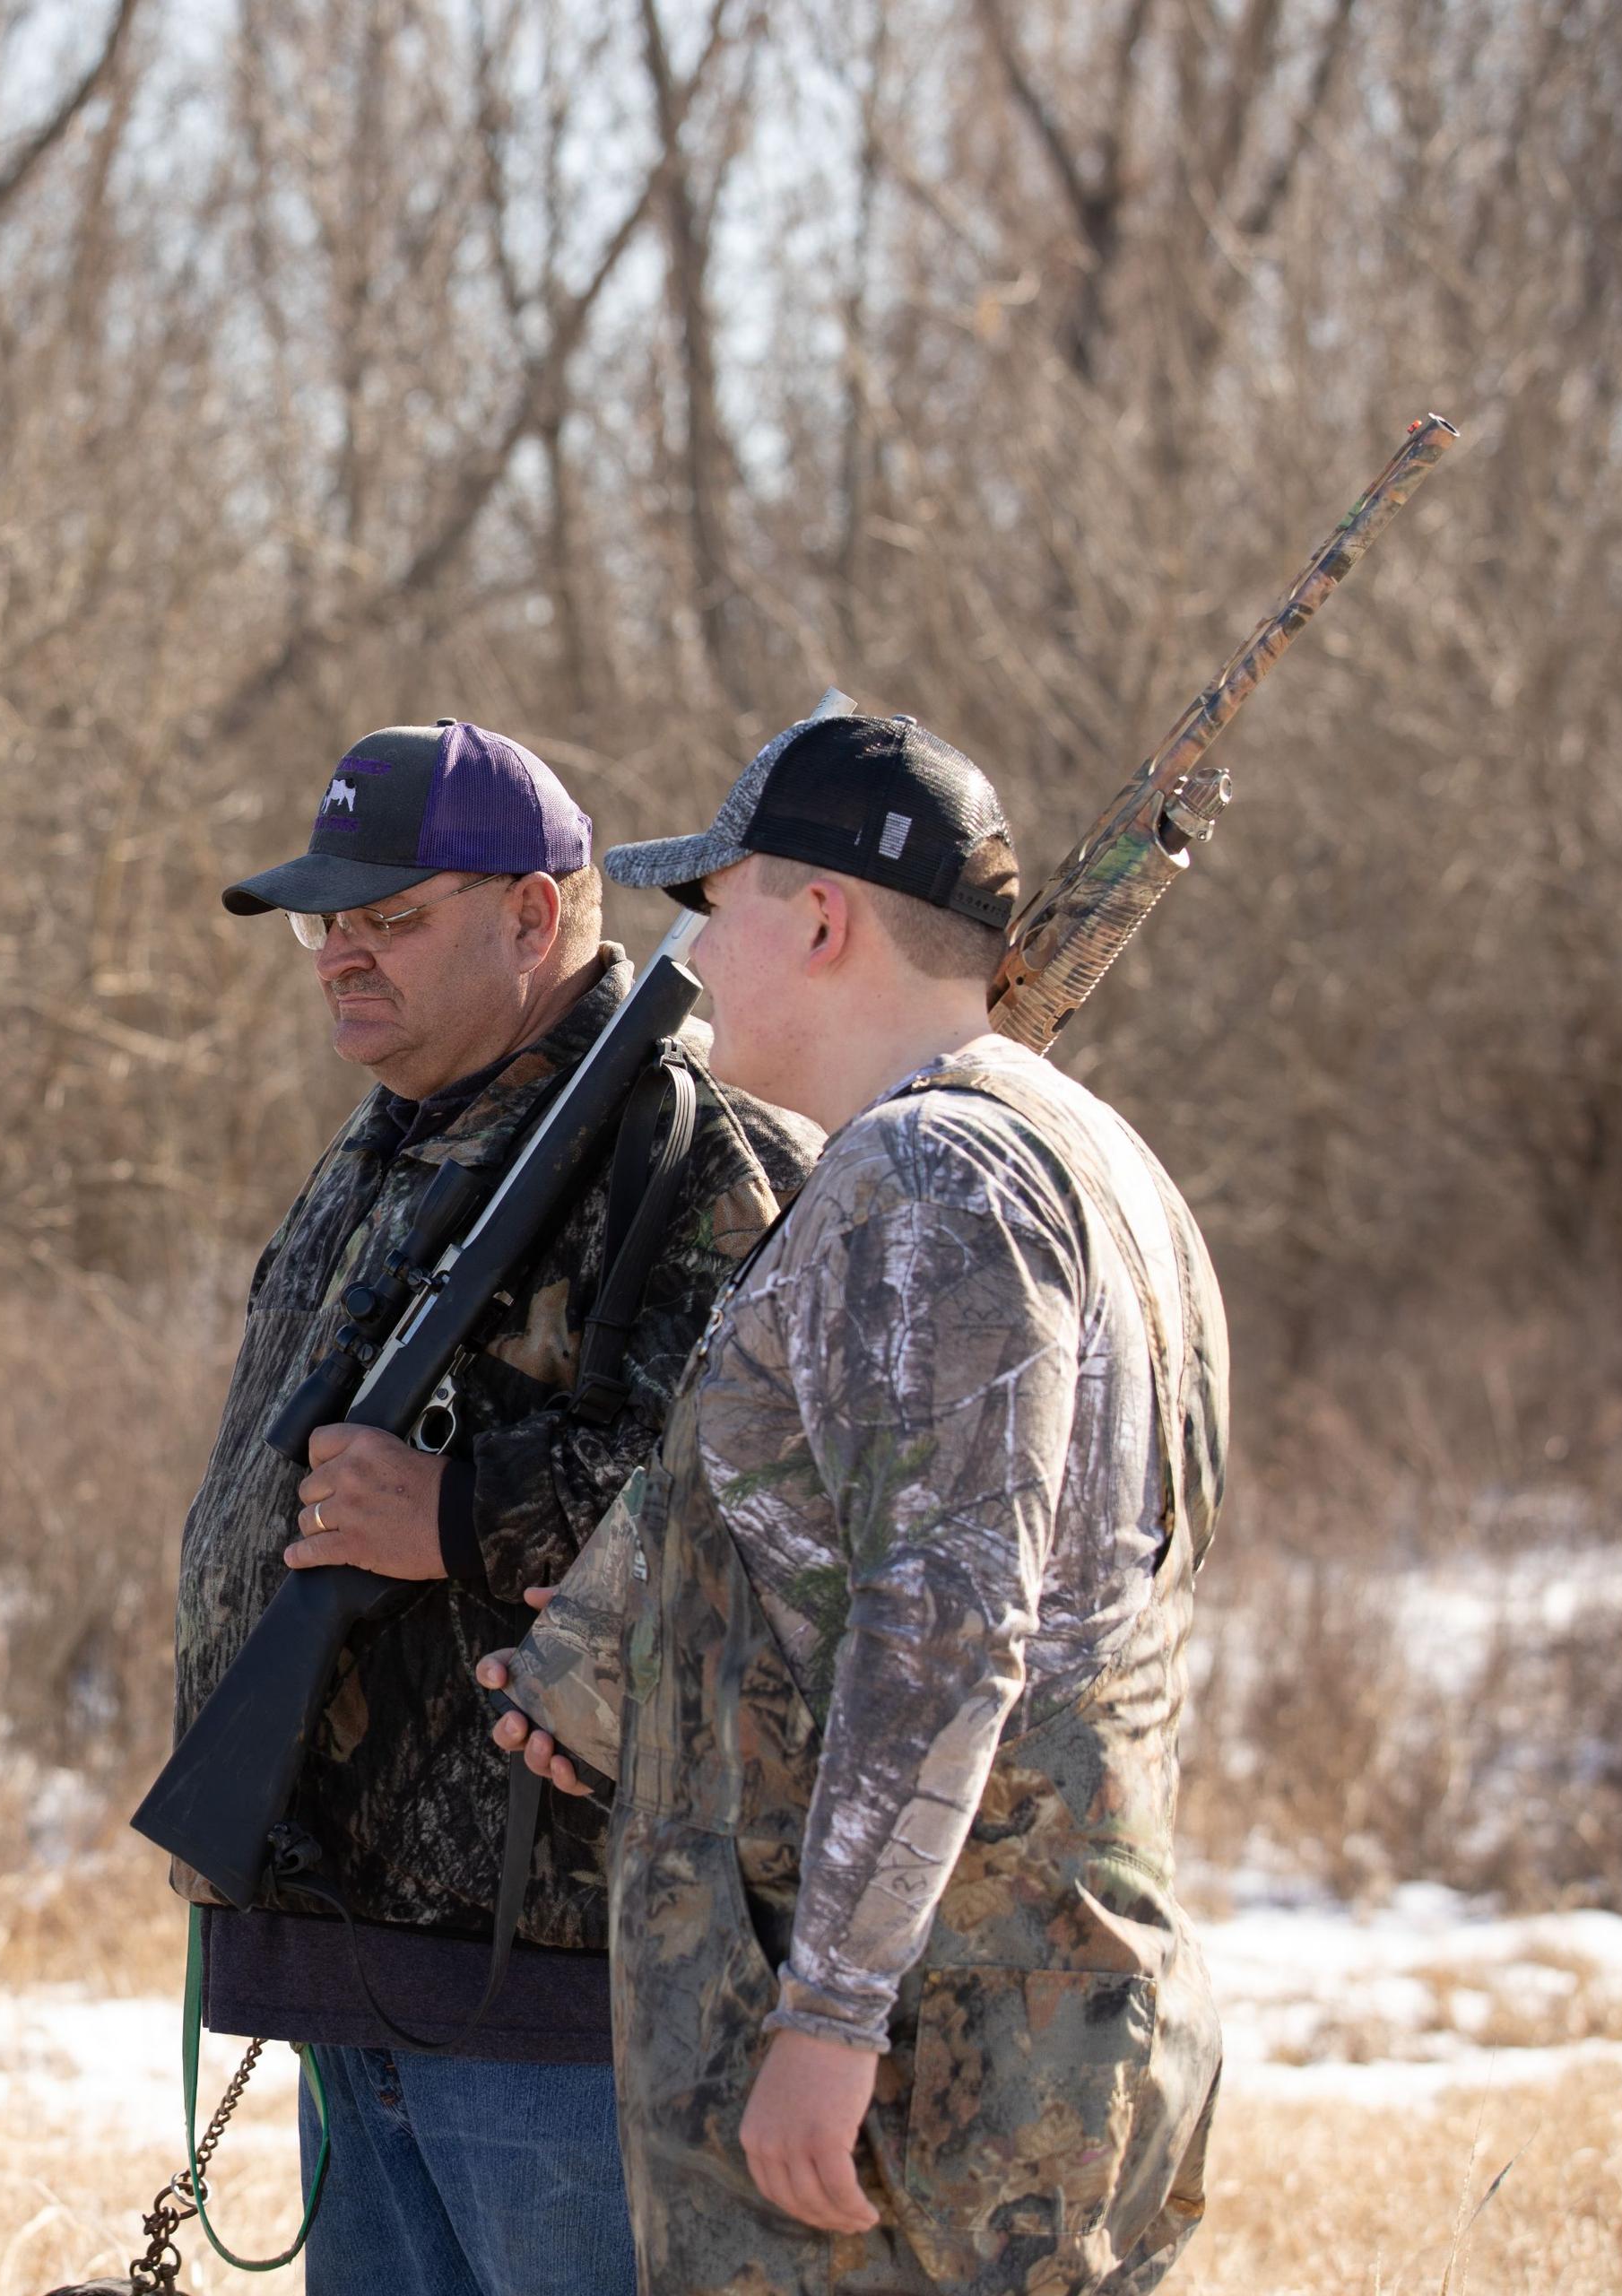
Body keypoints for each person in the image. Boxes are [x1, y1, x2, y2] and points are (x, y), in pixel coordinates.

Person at [483, 709, 1228, 2294]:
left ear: (818, 916)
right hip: (1011, 2024)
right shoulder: (1078, 1153)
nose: (693, 962)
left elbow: (949, 1623)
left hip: (933, 2080)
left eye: (717, 905)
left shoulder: (934, 1181)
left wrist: (827, 2013)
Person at [174, 719, 818, 2296]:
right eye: (327, 923)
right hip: (357, 1953)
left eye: (389, 919)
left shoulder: (691, 1149)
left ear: (536, 916)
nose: (339, 957)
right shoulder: (392, 1142)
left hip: (561, 1991)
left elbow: (768, 1517)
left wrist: (463, 1515)